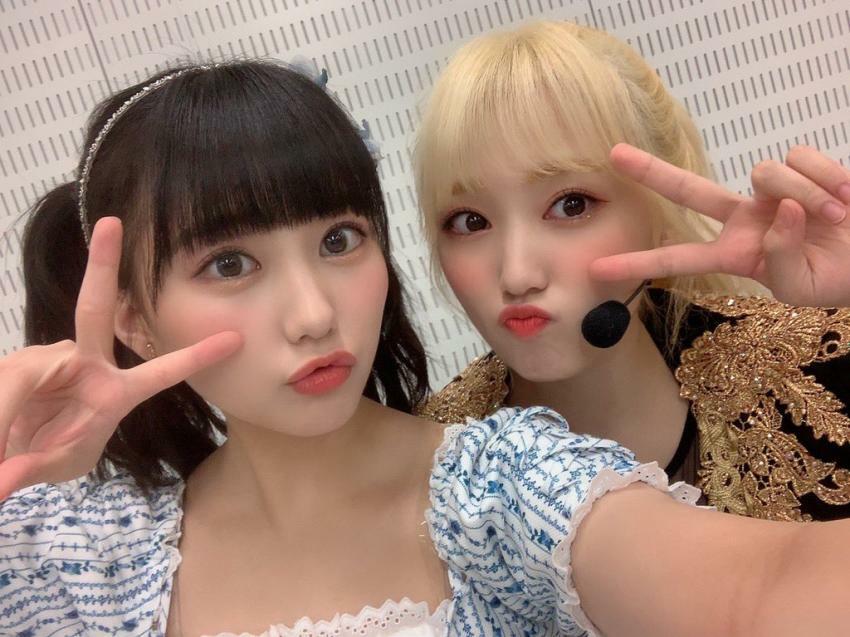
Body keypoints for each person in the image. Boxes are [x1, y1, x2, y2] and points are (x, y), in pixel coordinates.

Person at [2, 57, 850, 637]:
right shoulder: (72, 556)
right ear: (133, 318)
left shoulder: (508, 486)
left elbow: (757, 591)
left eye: (339, 240)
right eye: (230, 264)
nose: (313, 314)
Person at [414, 20, 850, 523]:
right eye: (470, 222)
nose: (517, 275)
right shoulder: (428, 468)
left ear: (660, 208)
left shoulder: (822, 363)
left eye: (571, 205)